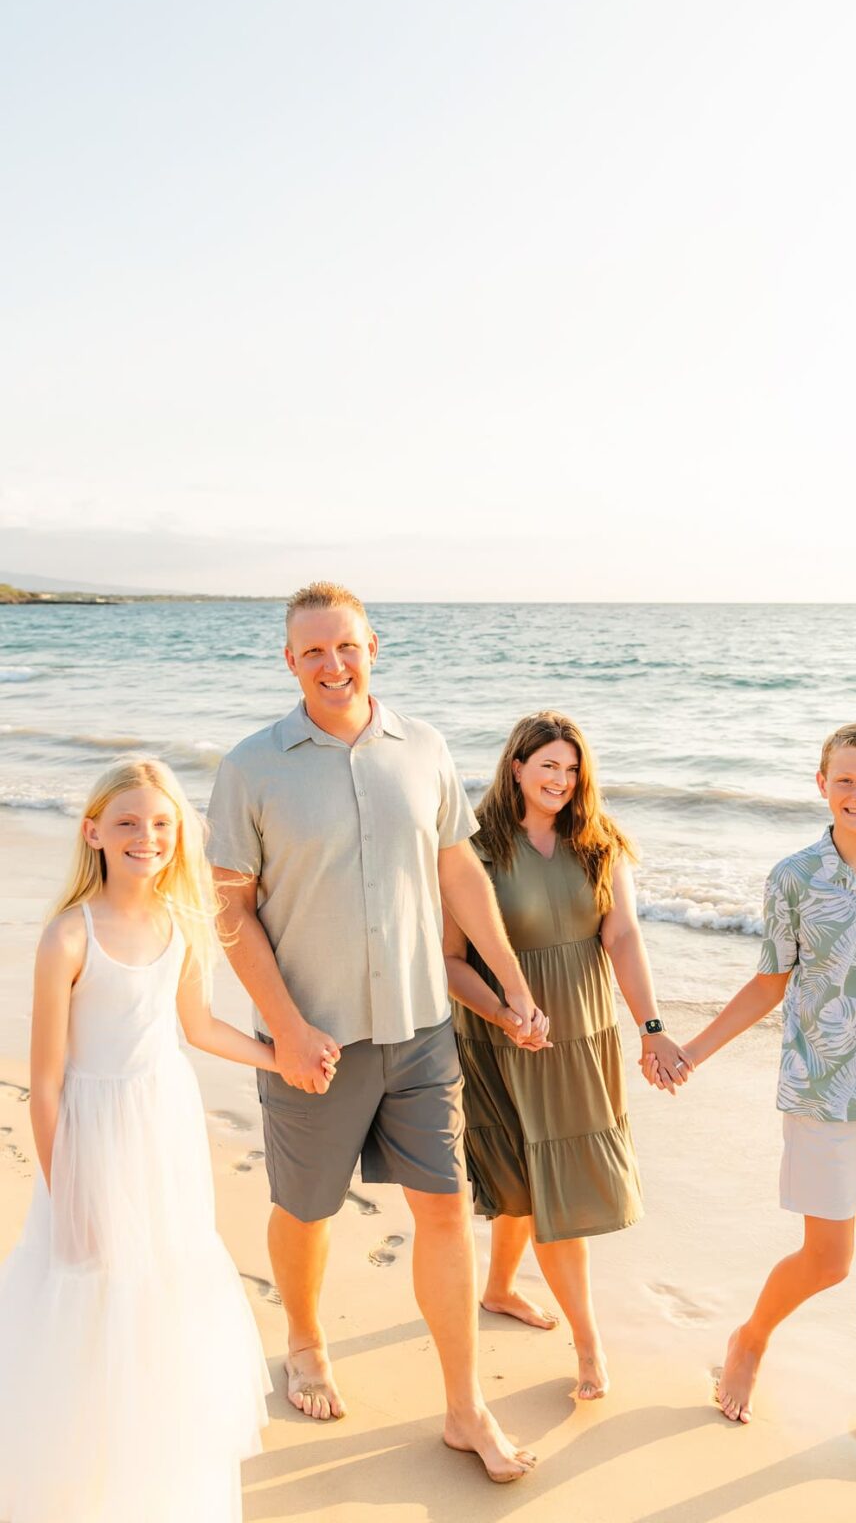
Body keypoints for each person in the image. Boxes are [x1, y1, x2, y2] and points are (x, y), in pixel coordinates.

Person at [207, 582, 541, 1483]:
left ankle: (466, 1409)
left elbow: (458, 873)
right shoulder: (252, 766)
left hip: (422, 1030)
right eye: (312, 651)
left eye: (345, 646)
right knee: (305, 1208)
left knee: (442, 1208)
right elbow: (231, 908)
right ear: (288, 660)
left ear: (374, 647)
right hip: (310, 1039)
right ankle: (307, 1337)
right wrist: (283, 1025)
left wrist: (511, 986)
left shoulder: (424, 748)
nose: (331, 664)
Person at [646, 723, 856, 1489]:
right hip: (823, 1091)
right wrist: (693, 1053)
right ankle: (750, 1337)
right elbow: (770, 982)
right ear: (821, 784)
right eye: (846, 781)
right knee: (831, 1260)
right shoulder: (793, 878)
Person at [0, 758, 303, 1523]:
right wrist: (68, 1192)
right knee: (90, 1287)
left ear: (180, 835)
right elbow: (46, 1083)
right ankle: (81, 1482)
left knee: (164, 1289)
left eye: (162, 824)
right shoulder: (69, 938)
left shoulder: (179, 924)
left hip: (163, 1128)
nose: (147, 837)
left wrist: (280, 1054)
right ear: (93, 830)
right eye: (128, 823)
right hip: (91, 1138)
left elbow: (197, 1028)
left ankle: (155, 1481)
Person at [445, 712, 692, 1402]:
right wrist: (504, 1013)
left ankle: (498, 1290)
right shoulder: (474, 850)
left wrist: (651, 1026)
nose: (561, 779)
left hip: (581, 1040)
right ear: (516, 767)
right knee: (533, 1182)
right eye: (547, 764)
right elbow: (448, 962)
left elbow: (624, 938)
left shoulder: (600, 845)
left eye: (572, 766)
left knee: (549, 1183)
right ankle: (589, 1344)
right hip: (502, 1035)